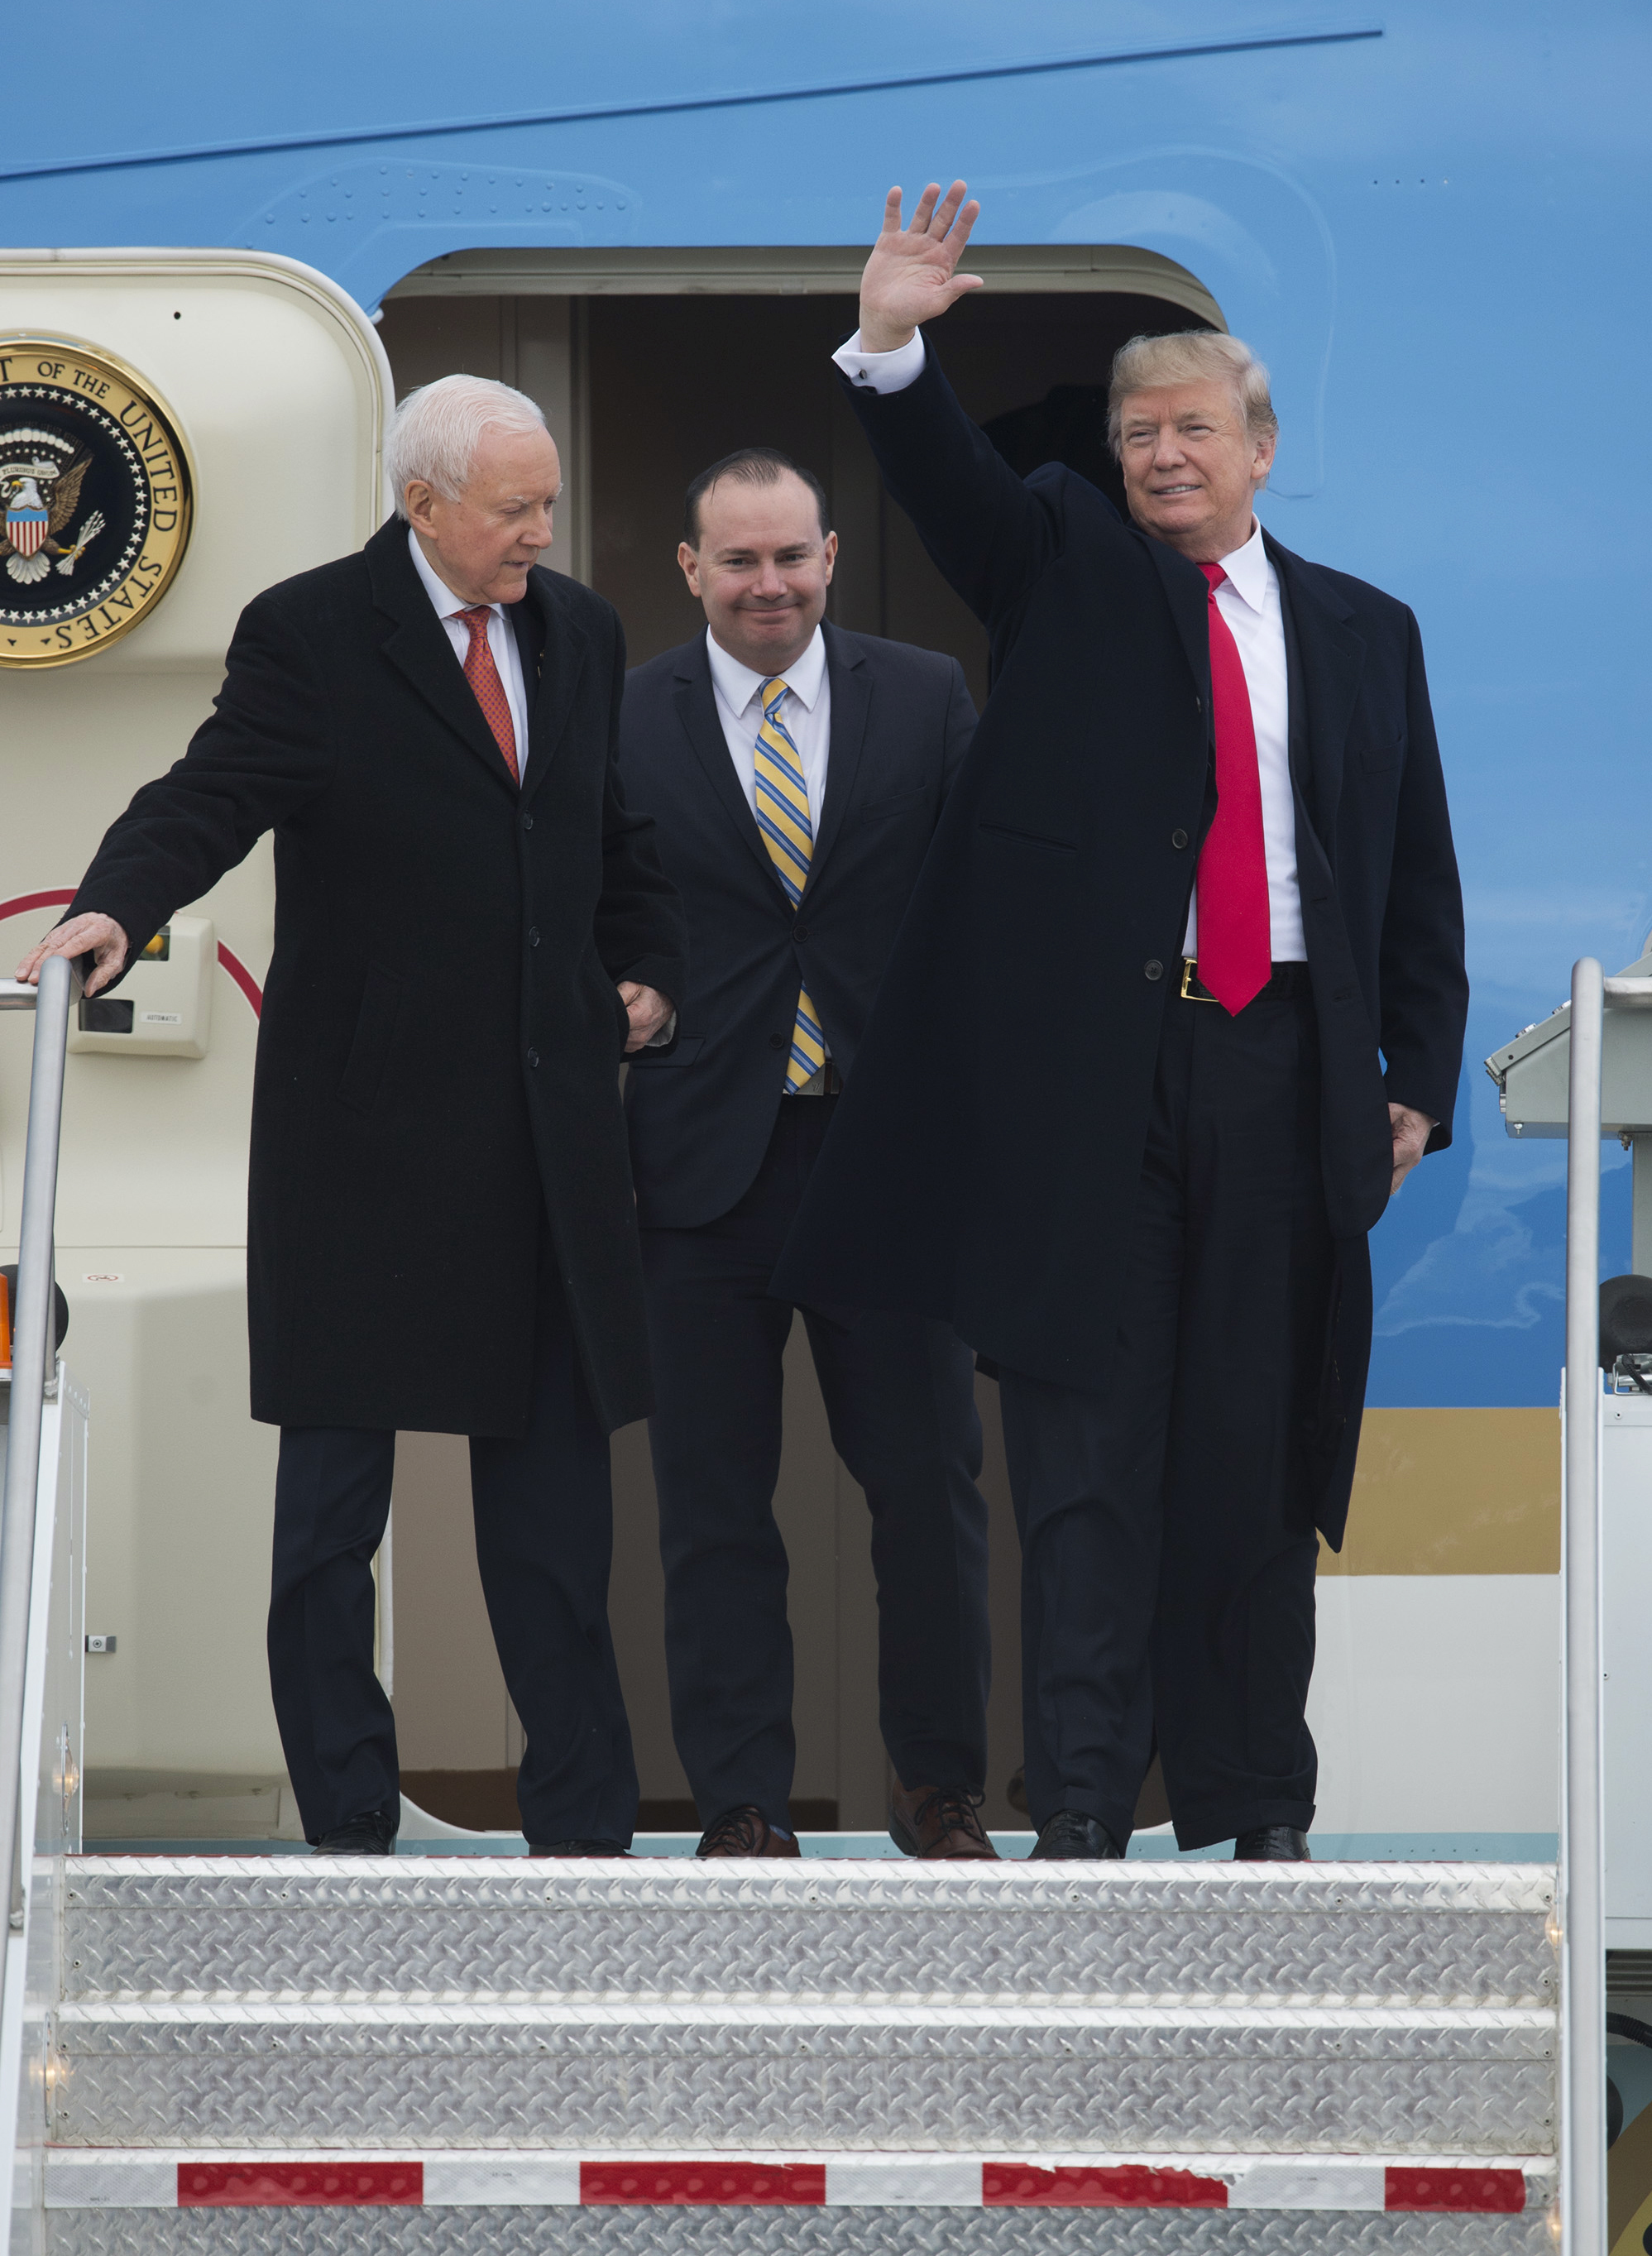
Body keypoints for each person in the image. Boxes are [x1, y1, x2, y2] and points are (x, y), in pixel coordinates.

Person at [773, 182, 1468, 1862]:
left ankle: (1253, 1805)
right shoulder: (1070, 561)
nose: (1161, 455)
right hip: (1106, 1079)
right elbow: (956, 495)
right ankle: (1081, 1804)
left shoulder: (1368, 632)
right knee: (1085, 1458)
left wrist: (1417, 1082)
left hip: (1285, 1069)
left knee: (1256, 1455)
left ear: (1260, 446)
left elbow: (1416, 876)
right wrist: (889, 344)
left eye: (1192, 429)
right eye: (1136, 431)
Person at [17, 375, 687, 1857]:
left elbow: (610, 838)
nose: (542, 531)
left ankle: (583, 1838)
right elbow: (210, 792)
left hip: (543, 1143)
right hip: (366, 1138)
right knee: (331, 1526)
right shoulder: (313, 633)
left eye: (549, 503)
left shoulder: (575, 632)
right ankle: (347, 1836)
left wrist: (645, 974)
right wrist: (112, 910)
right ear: (422, 503)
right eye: (514, 509)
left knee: (558, 1528)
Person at [618, 448, 995, 1860]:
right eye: (737, 560)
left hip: (884, 1159)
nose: (766, 584)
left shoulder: (927, 696)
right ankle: (741, 1802)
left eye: (790, 557)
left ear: (830, 556)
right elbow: (596, 908)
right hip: (697, 1167)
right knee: (714, 1507)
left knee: (927, 1494)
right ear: (691, 570)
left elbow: (983, 905)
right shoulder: (623, 711)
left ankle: (940, 1792)